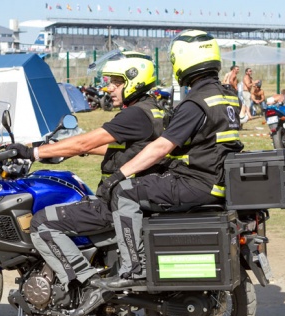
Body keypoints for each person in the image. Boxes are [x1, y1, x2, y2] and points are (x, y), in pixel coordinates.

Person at [8, 57, 166, 316]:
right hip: (141, 195)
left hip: (116, 201)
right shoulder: (154, 110)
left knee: (42, 222)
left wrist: (32, 151)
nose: (109, 89)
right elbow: (121, 149)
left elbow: (87, 140)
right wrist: (65, 152)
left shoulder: (135, 114)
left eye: (117, 82)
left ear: (134, 80)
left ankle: (85, 283)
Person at [92, 30, 243, 290]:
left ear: (182, 60)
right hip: (217, 178)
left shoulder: (195, 102)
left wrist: (119, 176)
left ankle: (132, 270)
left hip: (197, 180)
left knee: (125, 192)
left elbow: (162, 146)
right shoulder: (226, 95)